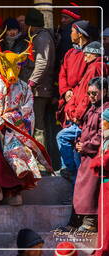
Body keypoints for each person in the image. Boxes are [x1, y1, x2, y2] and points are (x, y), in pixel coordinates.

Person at [0, 28, 52, 206]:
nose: (12, 71)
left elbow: (27, 111)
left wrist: (11, 118)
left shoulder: (24, 88)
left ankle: (14, 191)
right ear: (0, 64)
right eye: (8, 66)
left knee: (15, 151)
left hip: (14, 129)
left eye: (16, 66)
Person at [56, 41, 108, 185]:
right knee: (77, 149)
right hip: (86, 116)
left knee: (63, 137)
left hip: (85, 117)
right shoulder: (95, 66)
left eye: (86, 55)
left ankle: (70, 170)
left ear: (93, 54)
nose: (84, 59)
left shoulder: (95, 68)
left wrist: (76, 115)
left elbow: (87, 96)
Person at [73, 77, 109, 232]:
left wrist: (86, 146)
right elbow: (85, 129)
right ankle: (80, 218)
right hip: (86, 154)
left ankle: (91, 221)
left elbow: (103, 134)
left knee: (90, 188)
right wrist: (79, 142)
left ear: (105, 91)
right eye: (89, 93)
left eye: (95, 93)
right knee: (82, 187)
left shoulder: (106, 110)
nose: (91, 96)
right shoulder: (92, 108)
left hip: (96, 155)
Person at [19, 8, 56, 153]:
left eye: (27, 25)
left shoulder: (42, 38)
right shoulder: (38, 37)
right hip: (36, 89)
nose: (25, 28)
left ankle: (40, 160)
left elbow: (42, 63)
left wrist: (31, 82)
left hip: (39, 90)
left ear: (31, 25)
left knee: (38, 124)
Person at [91, 108, 109, 255]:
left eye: (105, 120)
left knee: (106, 220)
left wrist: (96, 162)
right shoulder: (106, 139)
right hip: (104, 183)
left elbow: (105, 161)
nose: (101, 123)